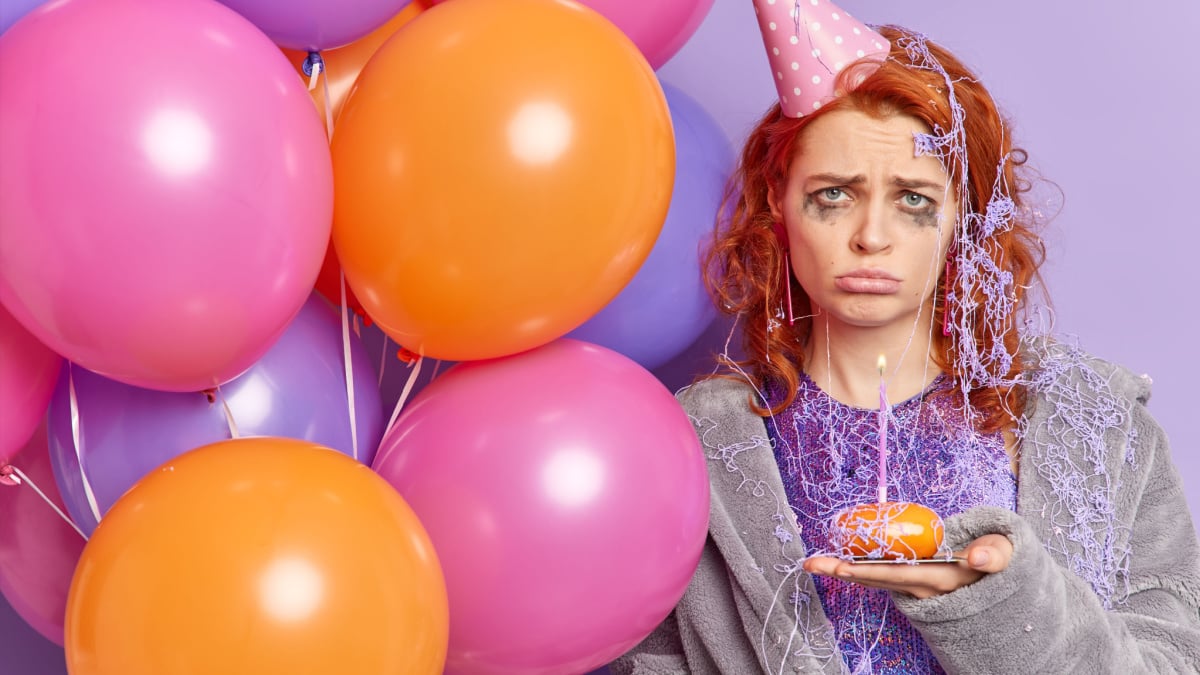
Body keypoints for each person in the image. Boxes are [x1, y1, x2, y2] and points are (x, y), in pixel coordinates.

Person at [611, 3, 1200, 674]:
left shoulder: (1096, 425)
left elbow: (1175, 660)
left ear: (962, 218)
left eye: (914, 199)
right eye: (834, 194)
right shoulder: (690, 447)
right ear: (778, 201)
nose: (872, 236)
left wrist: (999, 604)